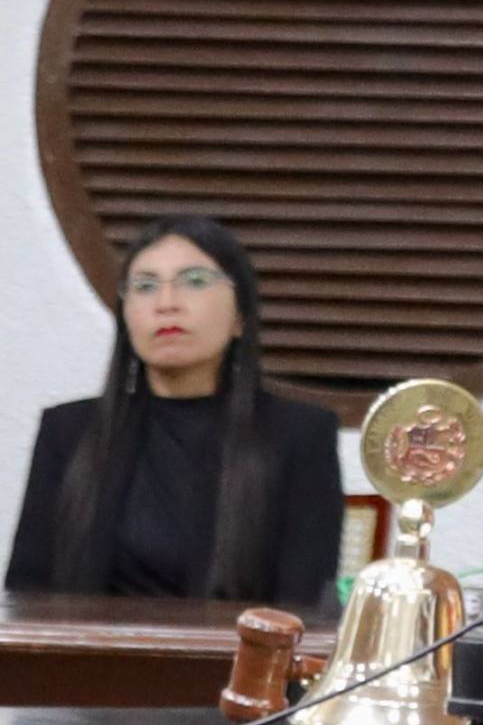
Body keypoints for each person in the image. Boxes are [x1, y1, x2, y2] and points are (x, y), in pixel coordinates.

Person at [9, 215, 342, 605]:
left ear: (240, 316)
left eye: (195, 282)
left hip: (238, 665)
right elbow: (25, 594)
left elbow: (302, 605)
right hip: (87, 664)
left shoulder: (300, 434)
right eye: (145, 286)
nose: (166, 304)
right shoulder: (67, 431)